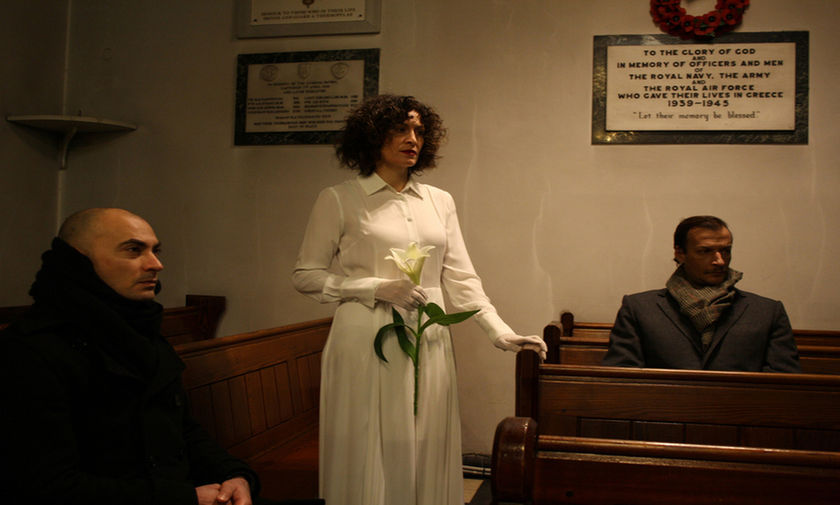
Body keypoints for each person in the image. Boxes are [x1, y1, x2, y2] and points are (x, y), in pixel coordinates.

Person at [292, 94, 547, 505]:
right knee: (369, 442)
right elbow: (306, 276)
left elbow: (461, 277)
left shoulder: (439, 201)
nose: (412, 139)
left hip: (428, 338)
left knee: (426, 436)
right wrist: (374, 287)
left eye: (419, 131)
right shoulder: (339, 198)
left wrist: (499, 332)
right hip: (364, 336)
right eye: (400, 129)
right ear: (372, 137)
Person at [0, 208, 280, 505]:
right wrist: (186, 498)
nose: (156, 264)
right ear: (77, 260)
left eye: (155, 251)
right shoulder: (30, 350)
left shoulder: (144, 333)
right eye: (134, 250)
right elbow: (46, 485)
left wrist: (235, 475)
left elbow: (183, 431)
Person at [602, 215, 801, 372]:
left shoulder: (766, 312)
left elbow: (784, 384)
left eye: (726, 251)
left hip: (743, 410)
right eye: (705, 251)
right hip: (662, 409)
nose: (719, 261)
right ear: (680, 253)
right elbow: (622, 377)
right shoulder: (640, 308)